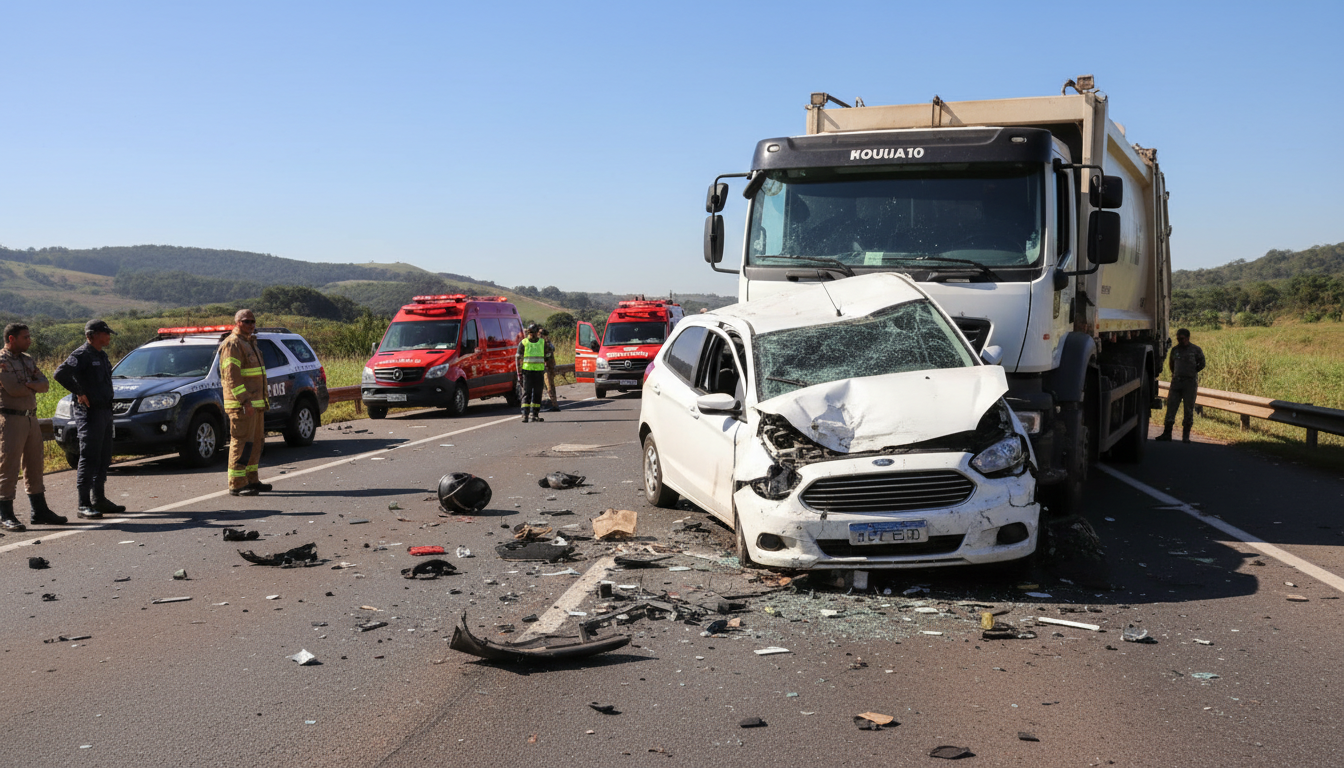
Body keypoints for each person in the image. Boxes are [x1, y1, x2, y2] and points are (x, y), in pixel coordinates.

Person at [53, 319, 124, 519]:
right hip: (89, 413)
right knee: (89, 456)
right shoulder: (81, 355)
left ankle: (98, 499)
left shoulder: (102, 355)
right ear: (92, 335)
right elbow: (60, 374)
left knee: (104, 456)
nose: (108, 336)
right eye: (105, 333)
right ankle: (83, 504)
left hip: (105, 412)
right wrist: (79, 392)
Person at [1, 323, 67, 529]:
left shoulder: (27, 359)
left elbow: (45, 385)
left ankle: (39, 511)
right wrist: (32, 385)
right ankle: (5, 514)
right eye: (25, 337)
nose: (29, 341)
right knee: (9, 466)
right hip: (11, 419)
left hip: (31, 418)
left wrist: (30, 385)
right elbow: (14, 390)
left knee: (35, 464)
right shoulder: (2, 361)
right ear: (11, 338)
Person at [219, 309, 272, 496]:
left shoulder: (250, 343)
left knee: (256, 443)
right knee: (242, 443)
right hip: (242, 405)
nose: (251, 324)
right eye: (247, 321)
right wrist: (244, 401)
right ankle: (237, 483)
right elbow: (232, 377)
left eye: (253, 321)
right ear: (237, 322)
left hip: (256, 404)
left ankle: (251, 479)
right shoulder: (232, 344)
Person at [1156, 328, 1206, 443]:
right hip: (1176, 382)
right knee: (1171, 408)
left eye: (1182, 339)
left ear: (1188, 338)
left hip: (1190, 384)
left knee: (1188, 410)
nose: (1179, 341)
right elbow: (1171, 365)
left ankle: (1186, 436)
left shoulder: (1196, 350)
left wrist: (1192, 372)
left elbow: (1202, 363)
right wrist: (1177, 374)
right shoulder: (1175, 350)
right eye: (1178, 338)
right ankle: (1167, 433)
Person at [515, 324, 548, 423]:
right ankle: (525, 414)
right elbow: (518, 358)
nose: (532, 335)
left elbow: (548, 354)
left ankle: (534, 415)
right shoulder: (524, 343)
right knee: (527, 393)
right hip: (528, 372)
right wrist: (519, 373)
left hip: (538, 372)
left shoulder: (542, 342)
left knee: (537, 394)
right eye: (531, 333)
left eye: (533, 333)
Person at [539, 327, 561, 412]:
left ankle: (553, 404)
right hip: (551, 366)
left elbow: (546, 355)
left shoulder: (544, 344)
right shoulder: (548, 343)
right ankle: (554, 403)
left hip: (547, 367)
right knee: (551, 385)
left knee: (549, 386)